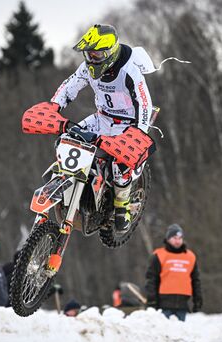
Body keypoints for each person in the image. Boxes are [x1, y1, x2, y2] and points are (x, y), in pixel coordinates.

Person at [49, 24, 155, 231]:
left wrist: (138, 133)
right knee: (66, 140)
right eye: (89, 55)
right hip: (102, 118)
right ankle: (70, 182)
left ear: (109, 52)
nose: (91, 59)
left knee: (120, 164)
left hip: (128, 124)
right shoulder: (87, 68)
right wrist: (54, 106)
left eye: (96, 55)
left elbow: (144, 103)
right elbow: (69, 86)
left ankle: (121, 206)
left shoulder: (129, 71)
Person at [145, 224, 202, 321]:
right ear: (168, 239)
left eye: (180, 238)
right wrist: (151, 301)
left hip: (183, 305)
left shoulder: (190, 256)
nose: (177, 241)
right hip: (163, 305)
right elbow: (151, 280)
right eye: (174, 238)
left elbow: (195, 280)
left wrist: (198, 300)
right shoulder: (159, 255)